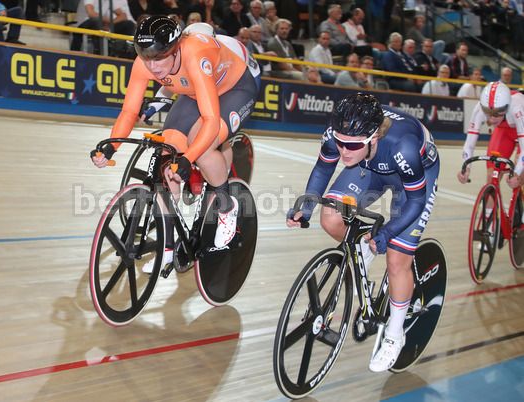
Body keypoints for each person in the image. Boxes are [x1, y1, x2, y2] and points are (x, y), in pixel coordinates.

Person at [91, 15, 260, 272]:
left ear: (176, 48)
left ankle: (227, 208)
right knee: (166, 153)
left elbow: (211, 121)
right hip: (195, 91)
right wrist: (111, 147)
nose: (153, 66)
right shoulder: (144, 63)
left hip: (236, 87)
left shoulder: (195, 55)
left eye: (159, 57)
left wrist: (188, 158)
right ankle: (166, 248)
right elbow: (129, 112)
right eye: (146, 57)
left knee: (201, 147)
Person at [287, 93, 440, 372]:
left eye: (352, 145)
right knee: (331, 217)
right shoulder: (341, 135)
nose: (344, 151)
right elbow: (323, 167)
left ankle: (394, 335)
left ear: (374, 137)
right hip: (369, 166)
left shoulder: (403, 147)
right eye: (340, 142)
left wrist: (388, 233)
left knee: (397, 259)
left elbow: (416, 201)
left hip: (414, 177)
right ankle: (362, 254)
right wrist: (306, 207)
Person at [458, 81, 524, 189]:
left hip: (521, 126)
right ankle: (490, 200)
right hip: (503, 130)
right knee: (492, 175)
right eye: (488, 113)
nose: (492, 118)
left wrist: (517, 172)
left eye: (498, 113)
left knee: (520, 174)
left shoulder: (517, 107)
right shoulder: (479, 108)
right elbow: (469, 144)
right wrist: (466, 168)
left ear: (507, 107)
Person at [71, 0, 135, 54]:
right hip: (82, 25)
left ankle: (127, 54)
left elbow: (123, 15)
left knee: (129, 24)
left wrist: (110, 24)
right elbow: (91, 13)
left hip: (101, 24)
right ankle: (99, 53)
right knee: (96, 22)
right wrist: (108, 21)